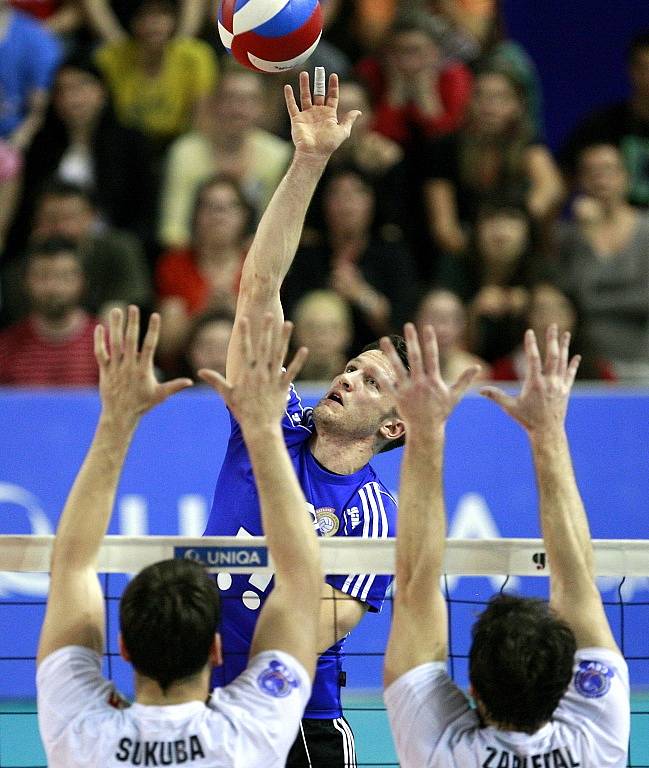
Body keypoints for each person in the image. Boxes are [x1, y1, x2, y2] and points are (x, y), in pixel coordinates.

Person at [200, 70, 401, 767]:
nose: (347, 375)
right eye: (351, 366)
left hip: (297, 724)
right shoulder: (266, 422)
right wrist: (310, 162)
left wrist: (190, 633)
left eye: (370, 380)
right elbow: (258, 288)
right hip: (199, 707)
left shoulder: (370, 510)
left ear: (394, 428)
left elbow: (314, 628)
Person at [36, 305, 324, 767]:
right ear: (215, 648)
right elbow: (303, 576)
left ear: (124, 648)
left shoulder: (80, 734)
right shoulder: (251, 732)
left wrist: (117, 419)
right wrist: (264, 430)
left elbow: (71, 564)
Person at [381, 323, 630, 767]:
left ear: (472, 691)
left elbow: (416, 582)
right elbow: (578, 585)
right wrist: (549, 431)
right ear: (565, 685)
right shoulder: (597, 742)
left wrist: (426, 431)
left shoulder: (440, 752)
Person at [158, 66, 291, 248]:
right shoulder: (185, 152)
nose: (238, 109)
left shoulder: (278, 155)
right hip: (193, 258)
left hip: (256, 257)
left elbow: (278, 228)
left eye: (248, 100)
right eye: (230, 98)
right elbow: (173, 230)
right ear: (214, 104)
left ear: (262, 107)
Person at [556, 143, 649, 377]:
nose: (601, 179)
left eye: (608, 170)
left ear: (626, 177)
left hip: (642, 359)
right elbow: (577, 298)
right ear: (580, 182)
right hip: (587, 365)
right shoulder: (569, 235)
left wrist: (594, 303)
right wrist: (588, 233)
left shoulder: (646, 230)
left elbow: (644, 299)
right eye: (591, 172)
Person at [2, 181, 152, 325]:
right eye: (51, 218)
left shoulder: (118, 248)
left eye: (69, 218)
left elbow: (125, 301)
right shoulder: (21, 263)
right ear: (36, 221)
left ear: (91, 217)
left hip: (99, 337)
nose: (60, 228)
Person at [155, 174, 253, 366]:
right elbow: (166, 343)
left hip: (248, 360)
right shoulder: (174, 263)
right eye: (210, 207)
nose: (218, 215)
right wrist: (204, 312)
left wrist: (236, 312)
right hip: (188, 362)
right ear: (196, 215)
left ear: (244, 216)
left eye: (229, 207)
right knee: (172, 312)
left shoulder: (258, 263)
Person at [95, 0, 218, 151]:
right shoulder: (111, 57)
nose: (153, 23)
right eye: (144, 15)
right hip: (126, 148)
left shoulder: (195, 56)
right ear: (132, 22)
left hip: (177, 144)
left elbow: (202, 120)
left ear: (174, 19)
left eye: (162, 14)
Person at [561, 30, 649, 207]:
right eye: (645, 68)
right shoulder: (602, 125)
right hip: (611, 229)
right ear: (631, 70)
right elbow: (563, 177)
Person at [0, 238, 99, 386]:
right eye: (43, 276)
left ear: (83, 281)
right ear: (25, 281)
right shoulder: (5, 347)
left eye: (65, 276)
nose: (54, 288)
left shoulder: (109, 344)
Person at [491, 282, 617, 382]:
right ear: (526, 318)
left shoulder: (600, 374)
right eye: (541, 311)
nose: (550, 323)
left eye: (559, 311)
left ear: (575, 317)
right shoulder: (503, 373)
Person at [415, 288, 490, 382]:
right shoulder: (398, 370)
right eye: (434, 318)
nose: (442, 330)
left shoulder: (477, 372)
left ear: (463, 325)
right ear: (418, 321)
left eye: (453, 319)